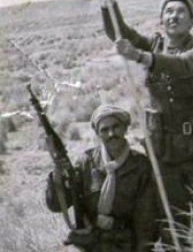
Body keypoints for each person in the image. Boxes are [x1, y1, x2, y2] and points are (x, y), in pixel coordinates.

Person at [101, 0, 193, 246]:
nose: (174, 16)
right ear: (161, 19)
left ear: (192, 20)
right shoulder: (154, 44)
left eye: (181, 11)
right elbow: (117, 31)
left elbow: (183, 65)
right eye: (168, 11)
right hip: (164, 152)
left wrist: (143, 57)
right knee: (173, 226)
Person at [46, 104, 158, 252]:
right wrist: (58, 175)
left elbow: (146, 222)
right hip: (88, 242)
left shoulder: (141, 165)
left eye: (116, 126)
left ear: (125, 128)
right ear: (98, 134)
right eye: (104, 130)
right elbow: (56, 205)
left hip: (125, 244)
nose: (111, 133)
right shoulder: (86, 162)